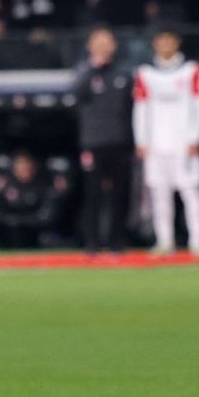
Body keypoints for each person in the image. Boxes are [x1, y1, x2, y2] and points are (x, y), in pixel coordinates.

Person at [133, 29, 199, 255]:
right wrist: (141, 139)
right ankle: (164, 240)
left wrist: (196, 136)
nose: (165, 44)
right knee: (159, 194)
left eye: (169, 39)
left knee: (190, 190)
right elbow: (141, 107)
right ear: (155, 44)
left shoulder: (191, 70)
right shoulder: (145, 73)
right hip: (156, 142)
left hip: (184, 142)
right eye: (160, 40)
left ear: (177, 42)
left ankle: (197, 240)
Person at [71, 28, 134, 254]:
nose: (103, 46)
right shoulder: (83, 70)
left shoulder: (123, 72)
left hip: (120, 141)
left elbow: (132, 107)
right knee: (93, 194)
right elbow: (76, 92)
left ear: (114, 45)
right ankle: (92, 243)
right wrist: (92, 68)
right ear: (89, 45)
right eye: (98, 41)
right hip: (93, 142)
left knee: (120, 194)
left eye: (107, 41)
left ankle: (117, 242)